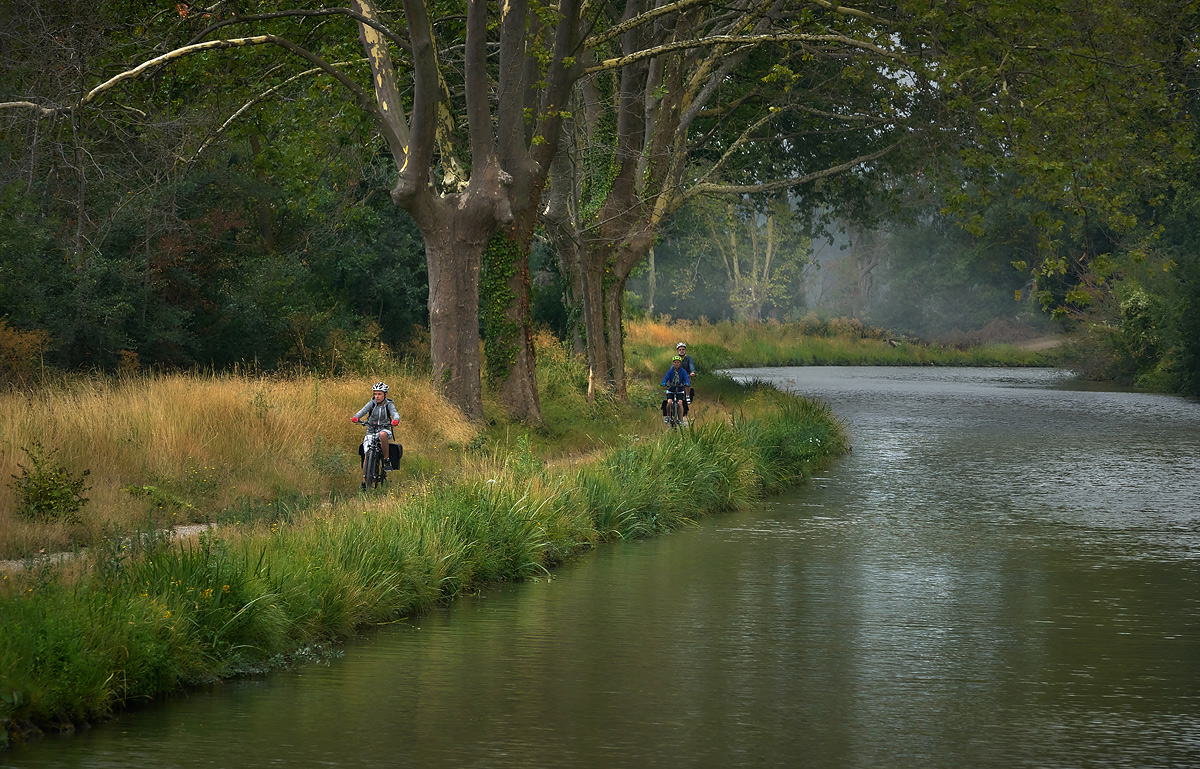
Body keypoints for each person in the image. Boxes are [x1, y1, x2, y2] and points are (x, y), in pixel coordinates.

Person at [351, 381, 400, 471]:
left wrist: (395, 420)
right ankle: (365, 481)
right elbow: (362, 411)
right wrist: (355, 417)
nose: (377, 396)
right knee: (367, 455)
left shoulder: (389, 405)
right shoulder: (371, 404)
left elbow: (395, 413)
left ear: (385, 394)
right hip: (371, 431)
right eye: (375, 394)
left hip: (384, 429)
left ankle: (386, 460)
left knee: (382, 434)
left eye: (379, 394)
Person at [660, 355, 691, 425]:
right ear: (673, 363)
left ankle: (681, 419)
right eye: (675, 362)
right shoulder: (670, 371)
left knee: (680, 403)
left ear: (680, 363)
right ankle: (668, 415)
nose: (676, 364)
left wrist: (687, 383)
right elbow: (666, 377)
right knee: (669, 402)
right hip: (671, 389)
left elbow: (686, 378)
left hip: (680, 389)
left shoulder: (683, 371)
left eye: (678, 362)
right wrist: (664, 382)